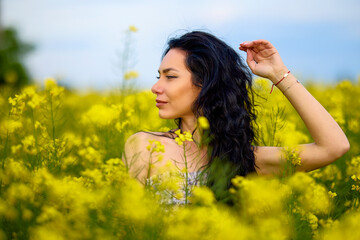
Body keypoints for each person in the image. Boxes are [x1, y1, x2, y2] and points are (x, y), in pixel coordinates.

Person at [123, 31, 350, 203]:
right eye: (158, 76)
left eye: (170, 77)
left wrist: (279, 74)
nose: (155, 87)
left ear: (207, 84)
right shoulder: (145, 147)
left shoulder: (244, 161)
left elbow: (334, 147)